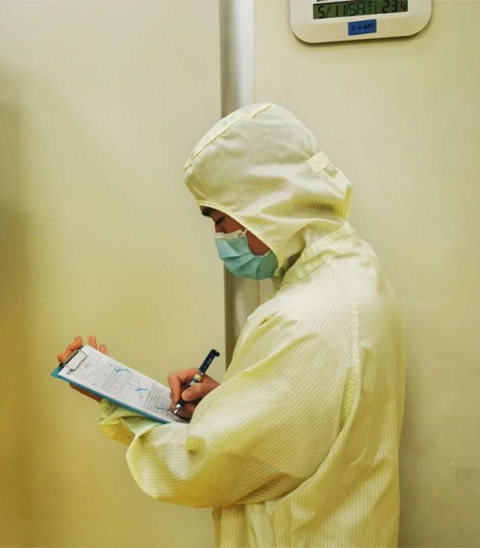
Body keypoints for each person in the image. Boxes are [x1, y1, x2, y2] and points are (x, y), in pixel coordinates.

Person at [57, 103, 406, 546]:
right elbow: (306, 423)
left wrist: (116, 405)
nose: (222, 239)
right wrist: (231, 405)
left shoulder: (302, 318)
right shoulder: (355, 270)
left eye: (221, 220)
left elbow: (202, 467)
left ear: (268, 202)